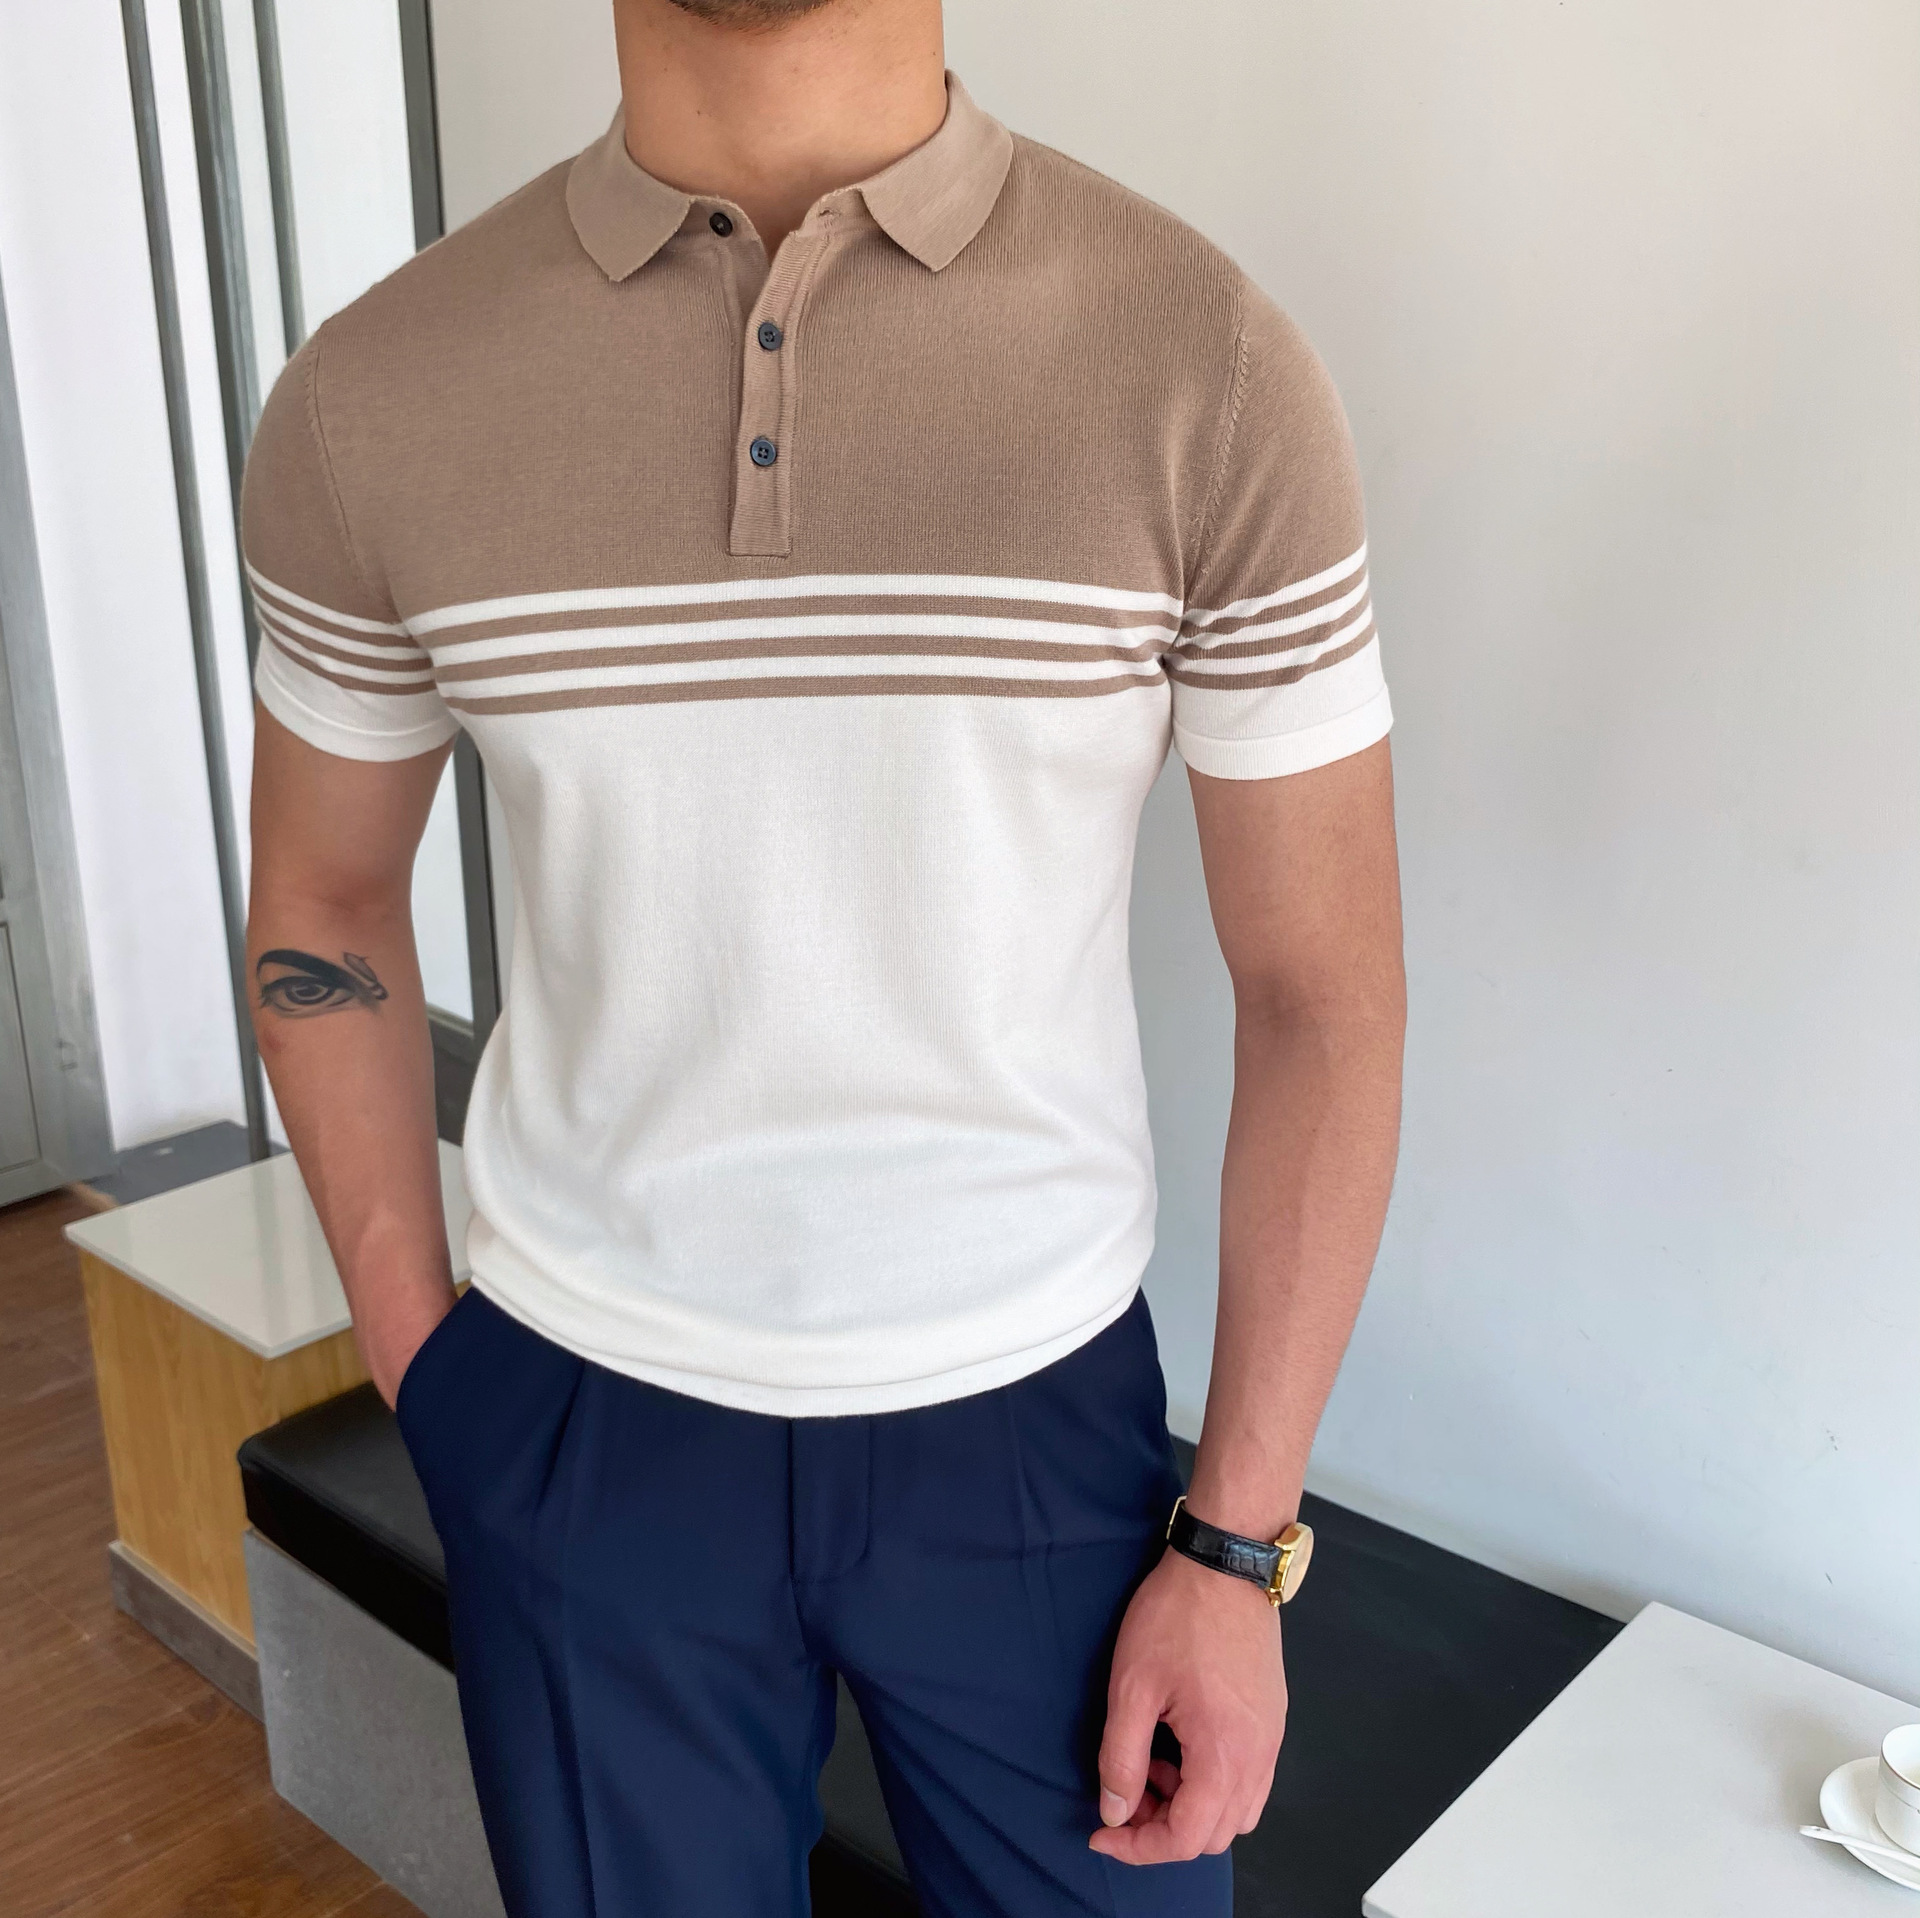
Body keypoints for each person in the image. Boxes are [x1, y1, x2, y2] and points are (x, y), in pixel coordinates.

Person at [241, 0, 1406, 1910]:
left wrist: (1237, 1542)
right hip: (578, 1418)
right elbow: (323, 901)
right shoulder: (374, 399)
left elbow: (1323, 994)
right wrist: (420, 1355)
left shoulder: (1204, 365)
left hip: (1038, 1429)